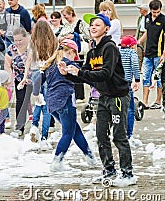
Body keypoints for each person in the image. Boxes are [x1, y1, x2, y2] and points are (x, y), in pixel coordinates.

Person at [64, 13, 135, 186]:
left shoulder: (109, 47)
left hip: (118, 96)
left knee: (119, 136)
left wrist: (79, 72)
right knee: (101, 135)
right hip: (104, 97)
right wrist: (69, 73)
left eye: (97, 25)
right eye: (91, 25)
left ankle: (127, 174)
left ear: (106, 29)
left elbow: (105, 73)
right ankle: (109, 171)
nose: (93, 27)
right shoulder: (93, 50)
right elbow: (87, 76)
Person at [34, 39, 96, 171]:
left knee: (75, 130)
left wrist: (37, 94)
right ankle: (57, 161)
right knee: (68, 132)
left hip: (52, 103)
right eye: (75, 54)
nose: (75, 57)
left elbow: (38, 81)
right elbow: (84, 77)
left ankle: (90, 157)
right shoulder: (69, 64)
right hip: (65, 100)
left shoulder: (49, 65)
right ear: (70, 51)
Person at [18, 22, 58, 148]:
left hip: (36, 75)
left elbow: (28, 60)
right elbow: (56, 59)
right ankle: (44, 136)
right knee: (47, 106)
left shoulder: (32, 43)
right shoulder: (53, 42)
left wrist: (24, 77)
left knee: (38, 103)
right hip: (49, 74)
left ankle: (34, 127)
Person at [4, 27, 34, 137]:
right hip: (19, 78)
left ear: (26, 38)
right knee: (20, 101)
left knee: (42, 101)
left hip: (34, 77)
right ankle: (20, 127)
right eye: (15, 40)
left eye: (20, 40)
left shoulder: (32, 47)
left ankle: (49, 124)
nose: (18, 43)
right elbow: (7, 64)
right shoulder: (12, 48)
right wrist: (9, 79)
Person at [137, 0, 165, 109]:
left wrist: (164, 53)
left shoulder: (163, 20)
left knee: (157, 78)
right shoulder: (147, 18)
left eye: (158, 12)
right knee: (146, 77)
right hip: (148, 53)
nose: (156, 14)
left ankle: (158, 101)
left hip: (158, 53)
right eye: (154, 12)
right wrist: (139, 41)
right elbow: (147, 33)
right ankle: (145, 101)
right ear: (150, 10)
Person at [119, 36, 141, 148]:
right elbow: (135, 66)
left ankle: (118, 132)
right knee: (130, 109)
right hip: (126, 83)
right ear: (132, 45)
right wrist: (137, 79)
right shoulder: (132, 53)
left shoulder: (117, 52)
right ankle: (128, 134)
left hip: (116, 83)